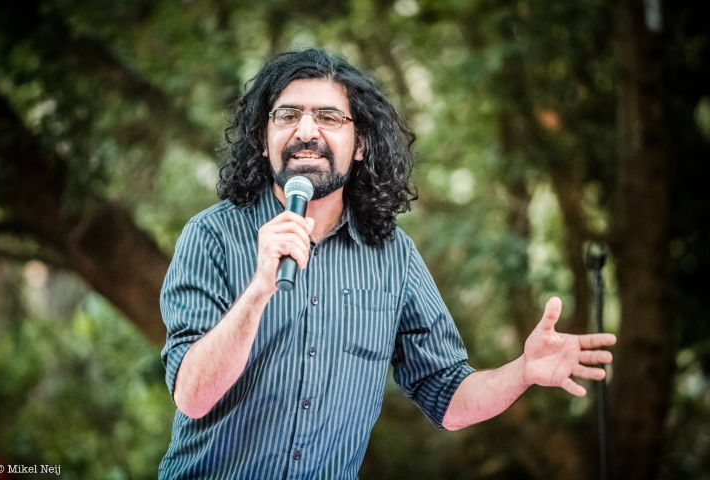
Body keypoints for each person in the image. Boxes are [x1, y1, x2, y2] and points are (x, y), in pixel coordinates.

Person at [158, 48, 616, 479]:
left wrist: (523, 371)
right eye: (288, 115)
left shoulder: (393, 255)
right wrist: (259, 289)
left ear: (360, 145)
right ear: (264, 139)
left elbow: (448, 397)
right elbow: (192, 397)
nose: (306, 131)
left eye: (328, 117)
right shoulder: (211, 236)